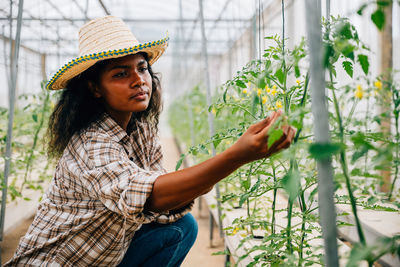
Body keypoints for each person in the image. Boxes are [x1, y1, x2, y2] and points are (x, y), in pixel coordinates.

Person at [4, 16, 295, 267]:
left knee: (180, 228)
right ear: (94, 88)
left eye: (142, 68)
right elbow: (153, 196)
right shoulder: (90, 144)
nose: (139, 80)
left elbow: (165, 201)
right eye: (121, 73)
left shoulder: (140, 130)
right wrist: (235, 155)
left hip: (103, 257)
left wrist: (234, 158)